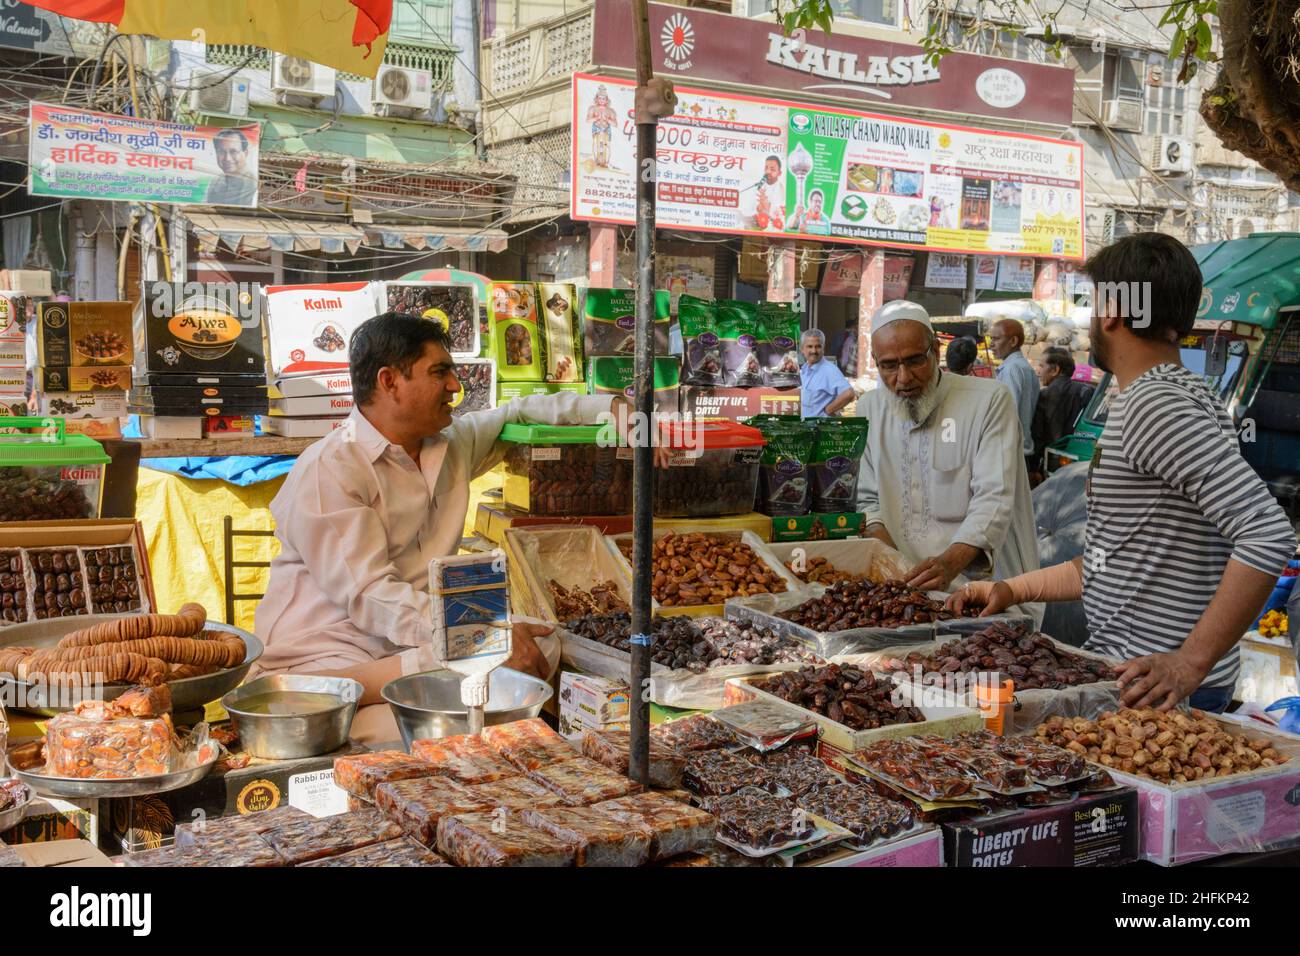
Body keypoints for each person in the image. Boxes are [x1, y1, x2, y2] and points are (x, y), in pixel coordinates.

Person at [951, 233, 1296, 712]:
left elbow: (1266, 534)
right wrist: (1012, 590)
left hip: (1160, 693)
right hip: (1145, 683)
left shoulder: (1155, 405)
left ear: (1113, 309)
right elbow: (1114, 560)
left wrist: (1190, 662)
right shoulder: (1174, 394)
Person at [254, 313, 638, 743]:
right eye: (440, 372)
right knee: (413, 730)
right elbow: (371, 597)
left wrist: (611, 407)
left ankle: (425, 703)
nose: (456, 385)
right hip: (329, 653)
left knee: (541, 640)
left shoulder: (449, 444)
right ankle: (358, 703)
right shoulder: (332, 469)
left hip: (414, 644)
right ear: (389, 381)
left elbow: (520, 409)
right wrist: (479, 638)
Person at [855, 300, 1039, 591]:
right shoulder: (869, 409)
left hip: (986, 590)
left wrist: (949, 565)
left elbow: (994, 499)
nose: (903, 378)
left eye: (915, 360)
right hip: (903, 589)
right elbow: (866, 503)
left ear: (936, 352)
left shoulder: (989, 400)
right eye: (889, 366)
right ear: (876, 362)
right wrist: (899, 571)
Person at [988, 318, 1039, 476]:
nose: (991, 344)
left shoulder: (1012, 369)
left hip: (1011, 452)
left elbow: (1008, 413)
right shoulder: (1023, 367)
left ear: (1013, 341)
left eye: (996, 339)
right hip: (1020, 450)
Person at [1031, 346, 1093, 468]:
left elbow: (1037, 436)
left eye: (1042, 366)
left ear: (1055, 370)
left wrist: (1033, 468)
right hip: (1080, 460)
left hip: (1051, 461)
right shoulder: (1087, 391)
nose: (1039, 371)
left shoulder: (1044, 396)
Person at [799, 328, 855, 418]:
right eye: (810, 346)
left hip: (820, 428)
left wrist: (828, 410)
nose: (814, 351)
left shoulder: (829, 370)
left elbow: (849, 394)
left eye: (818, 346)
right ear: (802, 349)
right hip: (805, 428)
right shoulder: (804, 370)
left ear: (823, 348)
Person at [205, 129, 257, 207]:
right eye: (221, 152)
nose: (227, 158)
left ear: (245, 153)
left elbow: (243, 213)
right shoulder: (216, 180)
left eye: (233, 152)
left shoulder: (250, 181)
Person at [739, 156, 786, 232]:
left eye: (772, 169)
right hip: (752, 226)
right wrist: (758, 209)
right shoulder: (758, 185)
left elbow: (781, 217)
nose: (768, 172)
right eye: (766, 168)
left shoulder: (782, 190)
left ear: (779, 173)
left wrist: (767, 209)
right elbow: (746, 209)